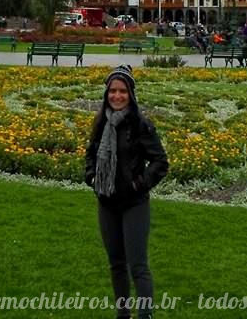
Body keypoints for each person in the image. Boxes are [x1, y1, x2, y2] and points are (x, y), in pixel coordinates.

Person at [85, 66, 168, 319]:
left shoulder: (140, 125)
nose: (117, 96)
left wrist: (138, 184)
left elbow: (160, 162)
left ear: (131, 94)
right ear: (106, 93)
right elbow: (91, 154)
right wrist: (91, 177)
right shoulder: (101, 123)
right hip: (107, 202)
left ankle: (145, 315)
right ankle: (123, 314)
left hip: (133, 203)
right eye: (112, 91)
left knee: (138, 266)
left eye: (122, 91)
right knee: (116, 264)